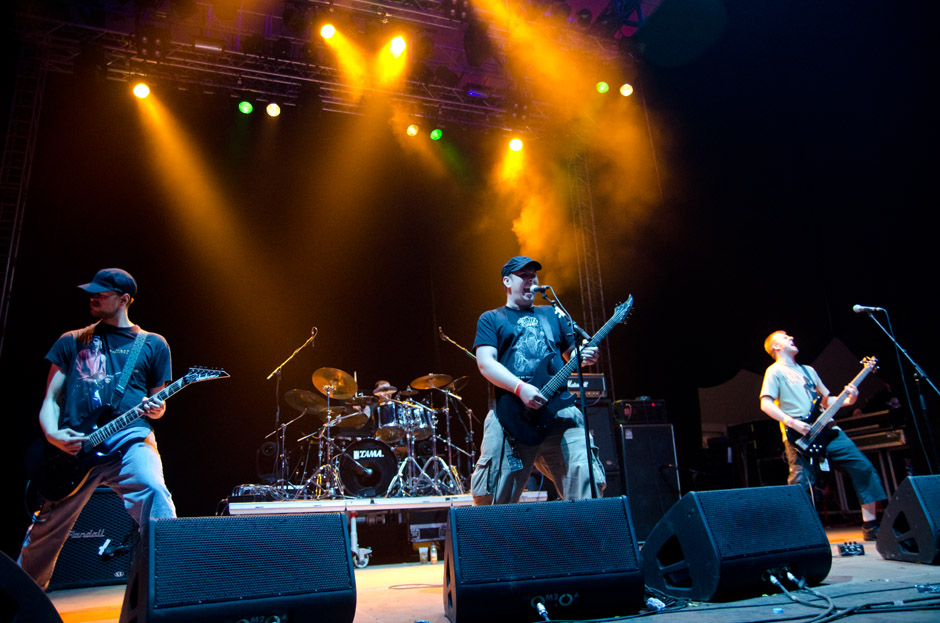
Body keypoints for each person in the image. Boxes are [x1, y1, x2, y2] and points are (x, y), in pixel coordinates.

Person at [18, 268, 176, 589]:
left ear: (124, 300)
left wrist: (157, 408)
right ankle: (19, 602)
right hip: (75, 450)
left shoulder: (153, 344)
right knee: (43, 533)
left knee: (155, 496)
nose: (93, 296)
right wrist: (53, 434)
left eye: (101, 293)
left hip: (130, 441)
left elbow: (159, 404)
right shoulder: (71, 340)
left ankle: (170, 589)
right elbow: (51, 398)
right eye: (93, 291)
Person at [470, 256, 605, 505]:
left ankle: (590, 536)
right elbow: (485, 363)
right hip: (512, 416)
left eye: (534, 275)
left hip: (559, 413)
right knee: (494, 500)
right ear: (507, 281)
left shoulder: (552, 313)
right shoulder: (491, 318)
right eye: (524, 275)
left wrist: (583, 356)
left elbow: (569, 352)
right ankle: (493, 542)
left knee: (588, 482)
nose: (531, 279)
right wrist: (520, 388)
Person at [759, 330, 886, 540]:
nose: (791, 337)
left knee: (863, 468)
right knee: (800, 484)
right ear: (776, 347)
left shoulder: (808, 370)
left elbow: (826, 401)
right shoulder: (775, 372)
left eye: (791, 335)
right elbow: (765, 404)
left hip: (828, 430)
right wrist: (792, 423)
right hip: (800, 436)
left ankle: (871, 526)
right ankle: (802, 533)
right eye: (784, 337)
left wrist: (849, 400)